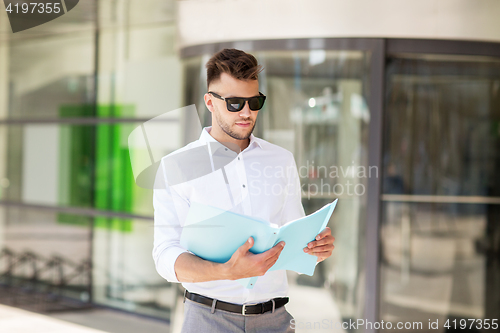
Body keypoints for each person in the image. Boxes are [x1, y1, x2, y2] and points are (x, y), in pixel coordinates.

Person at [152, 48, 335, 333]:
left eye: (254, 102)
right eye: (235, 103)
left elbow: (294, 238)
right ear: (210, 103)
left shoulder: (281, 160)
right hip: (207, 319)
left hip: (275, 320)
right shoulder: (176, 166)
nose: (247, 113)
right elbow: (165, 255)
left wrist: (315, 249)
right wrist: (225, 271)